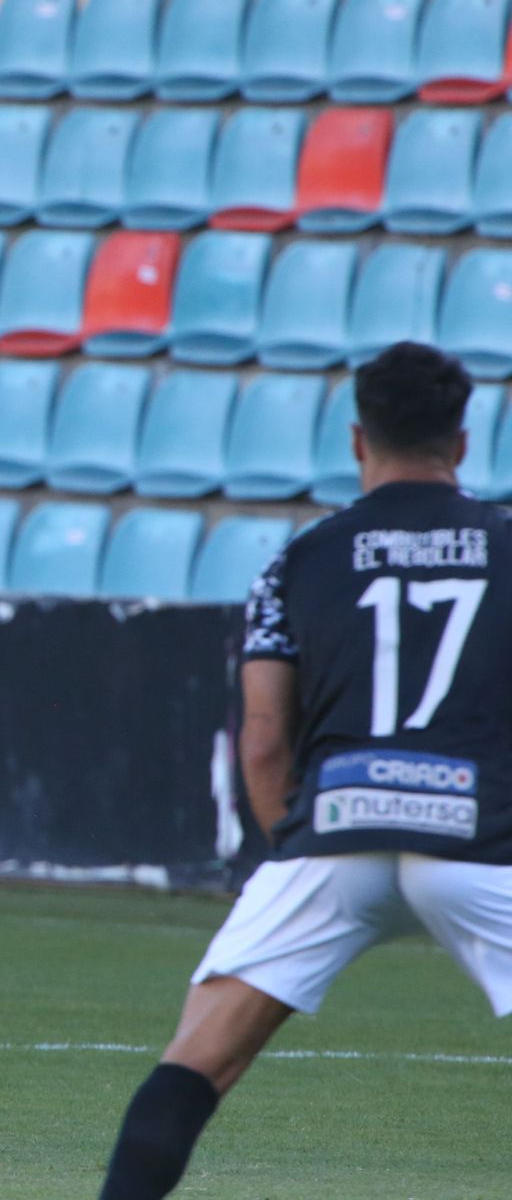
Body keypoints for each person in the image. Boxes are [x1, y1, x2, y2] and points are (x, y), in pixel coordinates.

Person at [99, 342, 512, 1199]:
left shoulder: (301, 561)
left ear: (359, 440)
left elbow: (261, 738)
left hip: (333, 830)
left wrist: (295, 849)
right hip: (479, 837)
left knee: (195, 1065)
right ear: (465, 443)